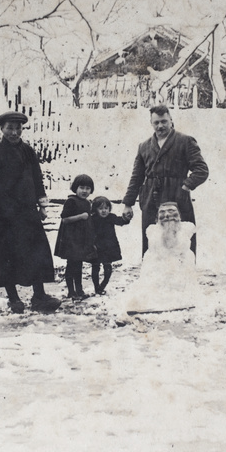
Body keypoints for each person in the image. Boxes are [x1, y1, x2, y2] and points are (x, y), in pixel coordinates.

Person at [0, 111, 61, 314]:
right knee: (7, 255)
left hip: (27, 212)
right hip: (4, 215)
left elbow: (37, 178)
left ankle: (39, 296)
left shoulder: (28, 152)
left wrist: (42, 205)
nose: (14, 132)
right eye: (10, 128)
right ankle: (13, 298)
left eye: (18, 128)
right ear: (1, 129)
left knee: (36, 252)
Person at [122, 104, 208, 255]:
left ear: (171, 121)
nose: (160, 126)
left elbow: (202, 170)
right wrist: (128, 204)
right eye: (156, 122)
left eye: (164, 121)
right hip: (150, 198)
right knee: (152, 242)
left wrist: (186, 186)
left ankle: (183, 276)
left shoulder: (185, 141)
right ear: (151, 123)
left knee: (181, 241)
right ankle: (152, 277)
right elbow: (136, 177)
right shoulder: (144, 146)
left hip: (177, 197)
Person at [123, 202, 201, 314]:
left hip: (179, 268)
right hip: (158, 267)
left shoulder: (186, 228)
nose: (167, 215)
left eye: (172, 211)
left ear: (179, 215)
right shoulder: (152, 230)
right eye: (162, 212)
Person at [54, 174, 96, 300]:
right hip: (71, 239)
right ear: (75, 188)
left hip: (81, 239)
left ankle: (79, 290)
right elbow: (65, 219)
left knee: (78, 265)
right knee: (71, 264)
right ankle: (71, 291)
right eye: (81, 187)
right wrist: (80, 216)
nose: (84, 191)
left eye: (88, 188)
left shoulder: (87, 203)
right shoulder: (71, 201)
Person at [90, 196, 130, 295]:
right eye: (100, 208)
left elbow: (120, 221)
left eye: (106, 208)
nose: (104, 211)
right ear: (95, 209)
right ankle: (96, 287)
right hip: (96, 247)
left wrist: (126, 218)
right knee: (95, 267)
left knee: (107, 266)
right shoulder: (92, 219)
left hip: (109, 247)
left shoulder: (111, 217)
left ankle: (102, 285)